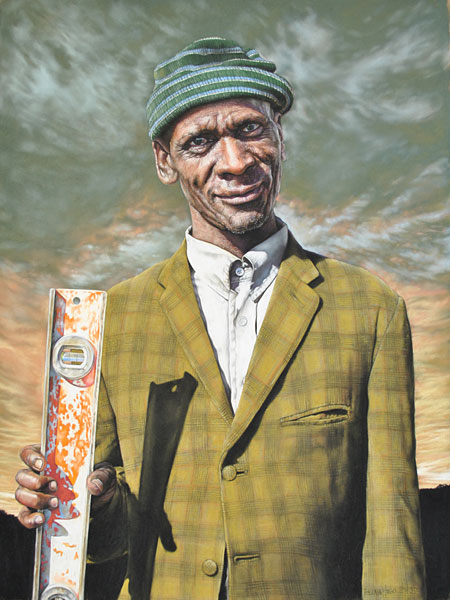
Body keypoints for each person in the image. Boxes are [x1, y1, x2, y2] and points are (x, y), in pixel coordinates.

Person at [15, 37, 426, 599]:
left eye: (250, 128)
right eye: (200, 142)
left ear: (280, 136)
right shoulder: (112, 319)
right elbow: (105, 540)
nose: (235, 162)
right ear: (165, 161)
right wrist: (84, 500)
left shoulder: (370, 308)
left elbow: (392, 526)